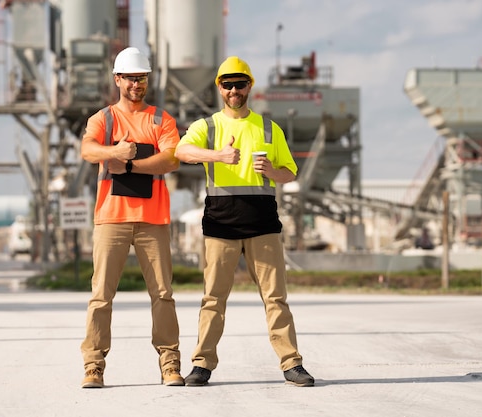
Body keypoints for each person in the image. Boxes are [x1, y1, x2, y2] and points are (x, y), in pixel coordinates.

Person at [174, 56, 314, 387]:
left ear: (250, 86)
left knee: (276, 298)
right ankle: (202, 364)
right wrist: (218, 155)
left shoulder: (268, 128)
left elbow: (290, 172)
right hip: (221, 227)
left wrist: (272, 172)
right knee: (213, 299)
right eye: (227, 85)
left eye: (240, 84)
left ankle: (291, 363)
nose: (234, 90)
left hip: (263, 225)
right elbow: (181, 152)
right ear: (219, 89)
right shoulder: (206, 127)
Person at [79, 47, 184, 388]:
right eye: (131, 78)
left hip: (153, 220)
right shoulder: (103, 119)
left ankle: (170, 364)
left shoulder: (160, 119)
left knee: (163, 294)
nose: (137, 84)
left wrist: (126, 164)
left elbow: (171, 159)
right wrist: (112, 151)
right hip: (111, 219)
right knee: (101, 296)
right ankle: (93, 367)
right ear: (117, 80)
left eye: (142, 78)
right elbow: (87, 150)